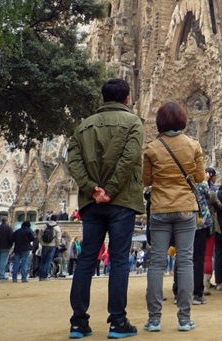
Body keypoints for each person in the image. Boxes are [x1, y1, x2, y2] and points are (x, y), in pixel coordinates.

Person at [67, 78, 145, 339]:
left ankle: (78, 322)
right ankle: (117, 321)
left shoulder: (83, 126)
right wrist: (110, 190)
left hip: (92, 203)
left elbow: (73, 162)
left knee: (87, 259)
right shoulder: (133, 122)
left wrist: (93, 189)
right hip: (121, 201)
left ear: (103, 98)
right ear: (126, 99)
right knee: (119, 258)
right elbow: (129, 158)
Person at [141, 101, 204, 332]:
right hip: (186, 208)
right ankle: (185, 319)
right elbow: (199, 177)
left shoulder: (151, 148)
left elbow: (146, 181)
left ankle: (154, 319)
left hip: (159, 209)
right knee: (185, 261)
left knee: (157, 263)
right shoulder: (193, 146)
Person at [39, 215, 62, 281]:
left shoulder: (45, 226)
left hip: (44, 245)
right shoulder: (57, 227)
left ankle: (40, 276)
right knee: (48, 261)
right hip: (52, 245)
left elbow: (40, 235)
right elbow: (58, 238)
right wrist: (56, 245)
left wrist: (41, 242)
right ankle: (44, 276)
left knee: (42, 260)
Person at [0, 217, 13, 281]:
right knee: (3, 262)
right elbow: (11, 238)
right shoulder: (9, 228)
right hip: (6, 247)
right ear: (7, 221)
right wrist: (11, 245)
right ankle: (1, 275)